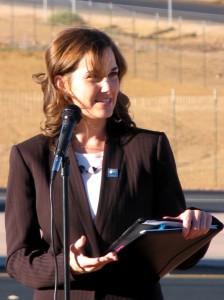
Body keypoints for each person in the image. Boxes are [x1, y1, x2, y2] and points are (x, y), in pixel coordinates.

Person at [5, 26, 213, 300]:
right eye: (93, 77)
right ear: (62, 84)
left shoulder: (149, 148)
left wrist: (193, 225)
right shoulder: (30, 156)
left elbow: (176, 249)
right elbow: (19, 259)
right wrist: (66, 265)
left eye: (113, 74)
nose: (108, 87)